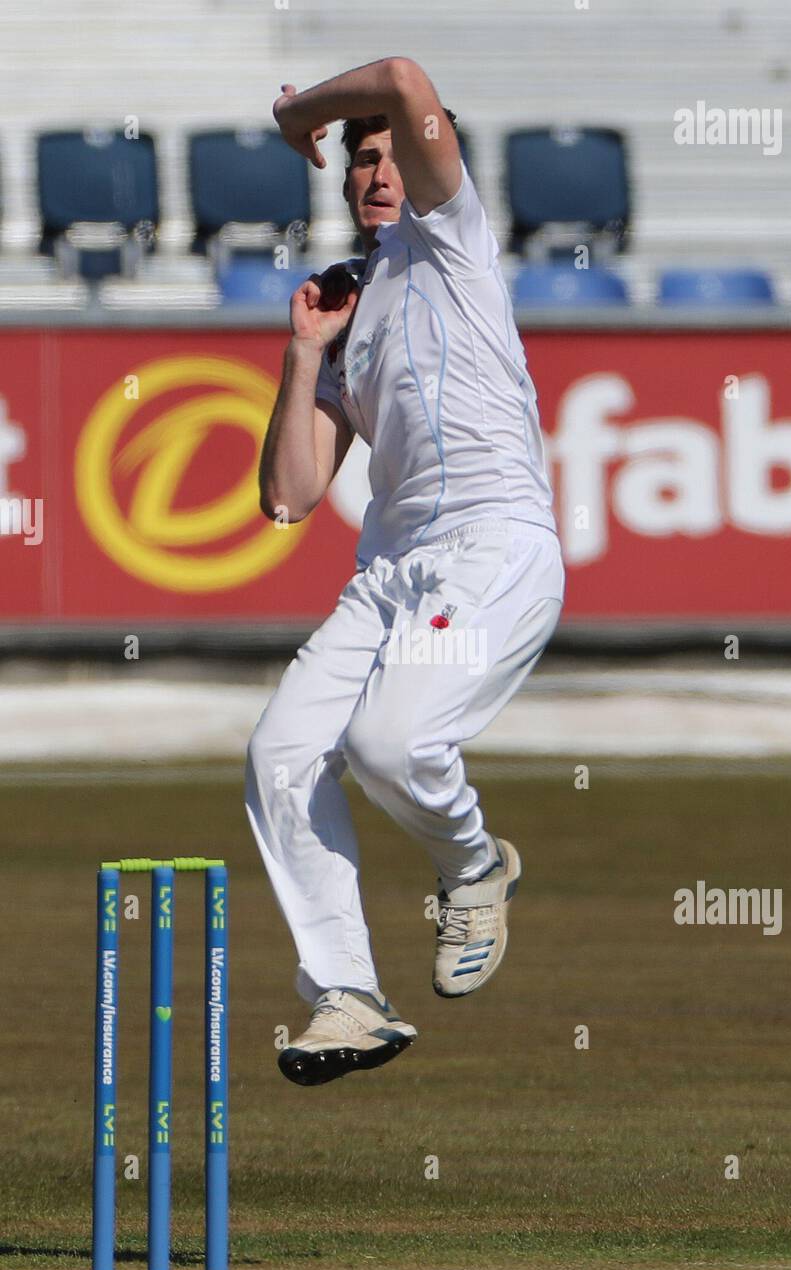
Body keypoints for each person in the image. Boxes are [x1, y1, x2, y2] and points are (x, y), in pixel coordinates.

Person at [246, 57, 564, 1086]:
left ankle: (474, 868)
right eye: (359, 161)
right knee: (280, 757)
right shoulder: (353, 308)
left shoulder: (454, 234)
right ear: (342, 184)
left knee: (390, 741)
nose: (377, 174)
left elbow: (399, 74)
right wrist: (303, 356)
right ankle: (347, 993)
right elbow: (289, 496)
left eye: (390, 154)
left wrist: (299, 111)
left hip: (493, 549)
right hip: (390, 571)